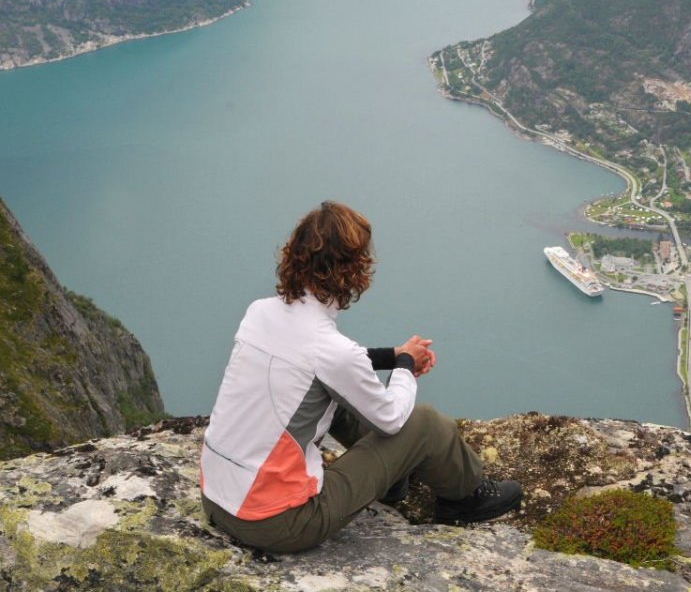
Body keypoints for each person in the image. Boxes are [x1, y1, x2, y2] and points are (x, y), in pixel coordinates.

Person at [200, 201, 521, 553]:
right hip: (277, 523)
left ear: (294, 254)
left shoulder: (259, 312)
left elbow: (313, 365)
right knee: (426, 423)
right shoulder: (329, 348)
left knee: (329, 396)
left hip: (217, 500)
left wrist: (391, 356)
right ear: (353, 270)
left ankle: (393, 479)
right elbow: (390, 420)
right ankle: (467, 497)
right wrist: (404, 369)